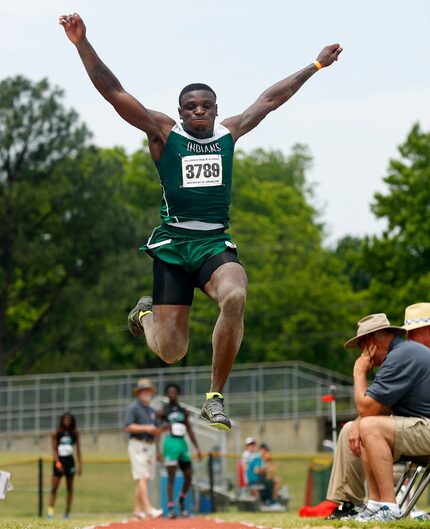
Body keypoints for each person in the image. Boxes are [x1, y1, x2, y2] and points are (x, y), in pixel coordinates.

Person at [59, 12, 342, 431]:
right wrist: (82, 43)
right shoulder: (162, 134)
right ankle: (147, 314)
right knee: (171, 352)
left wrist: (315, 65)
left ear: (215, 110)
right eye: (190, 106)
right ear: (179, 111)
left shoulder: (229, 134)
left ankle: (214, 397)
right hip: (173, 247)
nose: (198, 111)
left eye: (206, 106)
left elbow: (269, 100)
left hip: (214, 244)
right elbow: (112, 90)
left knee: (235, 297)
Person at [326, 303, 430, 521]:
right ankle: (359, 505)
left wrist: (359, 372)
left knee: (368, 426)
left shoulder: (402, 355)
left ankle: (387, 507)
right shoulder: (399, 355)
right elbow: (374, 409)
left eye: (361, 346)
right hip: (421, 427)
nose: (362, 353)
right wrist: (359, 423)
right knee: (357, 427)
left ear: (369, 342)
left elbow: (366, 408)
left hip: (426, 428)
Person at [158, 383, 202, 518]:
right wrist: (157, 450)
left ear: (177, 394)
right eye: (170, 392)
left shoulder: (183, 411)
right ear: (167, 394)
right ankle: (170, 508)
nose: (172, 394)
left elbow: (189, 429)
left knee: (188, 474)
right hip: (170, 443)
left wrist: (197, 448)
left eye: (174, 392)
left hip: (182, 443)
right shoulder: (163, 411)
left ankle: (181, 500)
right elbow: (158, 431)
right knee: (170, 477)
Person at [124, 378, 163, 520]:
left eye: (148, 390)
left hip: (150, 445)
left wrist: (160, 431)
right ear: (139, 393)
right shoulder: (133, 407)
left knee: (144, 480)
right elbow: (128, 426)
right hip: (138, 444)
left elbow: (156, 429)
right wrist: (146, 428)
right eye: (144, 390)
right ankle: (148, 509)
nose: (146, 393)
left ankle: (137, 511)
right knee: (143, 476)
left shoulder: (151, 410)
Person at [48, 412, 82, 520]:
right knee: (54, 488)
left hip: (69, 462)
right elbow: (53, 450)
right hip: (59, 461)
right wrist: (58, 463)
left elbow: (78, 450)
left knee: (69, 489)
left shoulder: (74, 433)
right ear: (62, 421)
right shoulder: (57, 433)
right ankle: (50, 513)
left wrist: (80, 465)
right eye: (65, 420)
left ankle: (67, 513)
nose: (67, 422)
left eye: (69, 420)